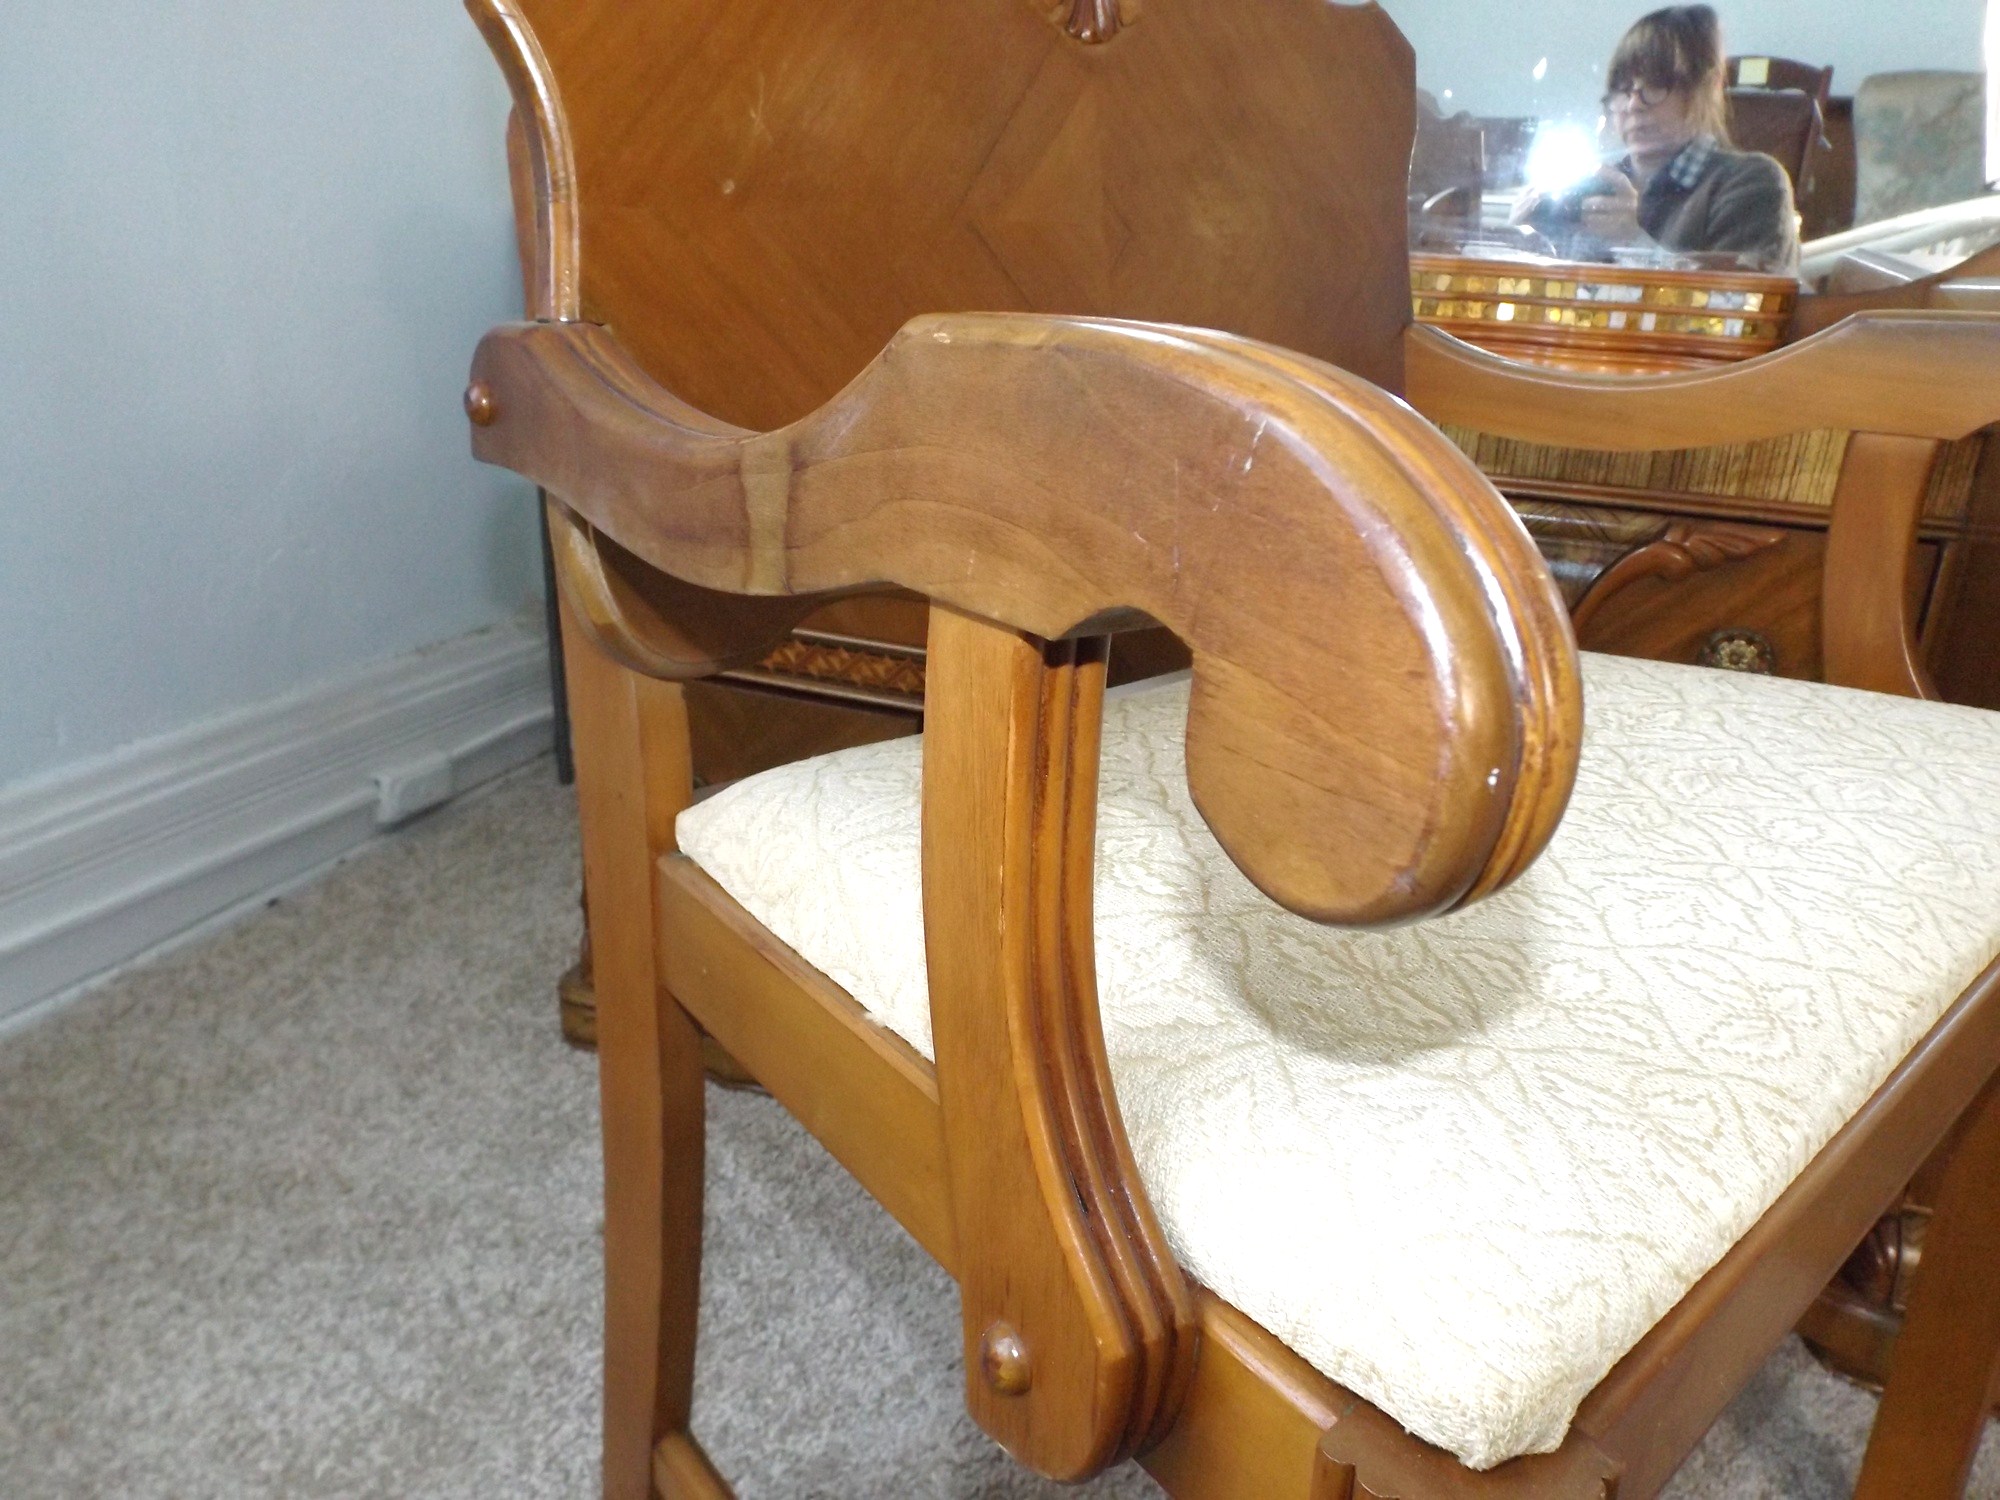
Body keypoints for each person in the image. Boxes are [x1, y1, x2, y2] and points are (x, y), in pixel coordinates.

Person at [1515, 6, 1800, 273]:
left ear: (1705, 89)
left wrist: (1631, 242)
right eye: (1623, 88)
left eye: (1656, 84)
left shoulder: (1752, 182)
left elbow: (1743, 300)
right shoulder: (1595, 183)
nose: (1633, 104)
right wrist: (1523, 240)